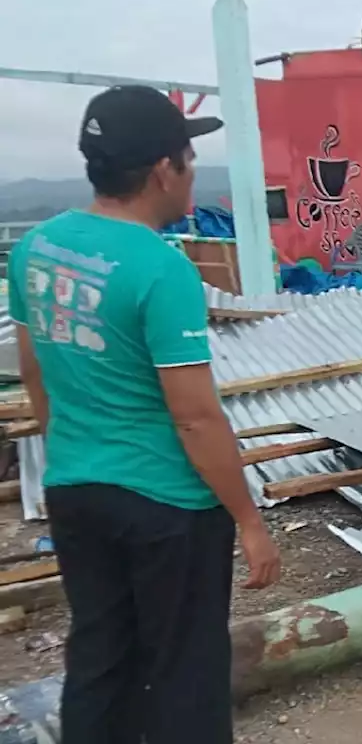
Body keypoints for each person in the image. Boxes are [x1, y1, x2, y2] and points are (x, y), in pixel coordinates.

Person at [8, 85, 281, 744]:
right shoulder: (161, 270)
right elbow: (195, 417)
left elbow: (35, 368)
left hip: (76, 491)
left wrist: (73, 451)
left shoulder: (37, 249)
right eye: (189, 155)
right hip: (167, 509)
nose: (190, 169)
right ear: (166, 168)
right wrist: (248, 519)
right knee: (186, 672)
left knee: (100, 661)